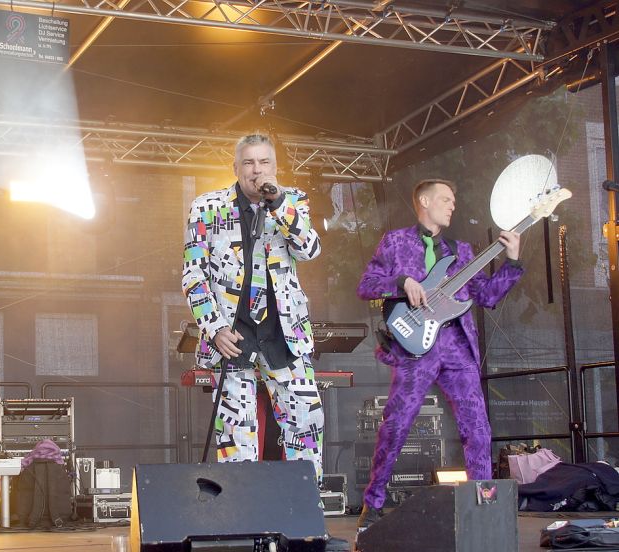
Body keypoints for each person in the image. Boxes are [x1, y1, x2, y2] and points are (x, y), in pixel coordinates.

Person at [355, 178, 523, 529]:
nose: (452, 206)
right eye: (446, 199)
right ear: (425, 202)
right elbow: (366, 285)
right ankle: (373, 504)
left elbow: (488, 296)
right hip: (415, 347)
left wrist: (511, 261)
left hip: (457, 346)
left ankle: (483, 508)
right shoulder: (395, 242)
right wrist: (401, 282)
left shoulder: (461, 251)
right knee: (397, 425)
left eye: (453, 200)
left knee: (478, 427)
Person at [181, 133, 323, 471]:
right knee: (236, 433)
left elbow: (310, 250)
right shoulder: (207, 207)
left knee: (305, 422)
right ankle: (240, 516)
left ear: (275, 167)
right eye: (248, 162)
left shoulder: (293, 201)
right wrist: (214, 328)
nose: (256, 170)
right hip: (233, 333)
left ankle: (305, 513)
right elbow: (193, 275)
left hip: (282, 331)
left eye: (264, 162)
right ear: (236, 168)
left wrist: (278, 204)